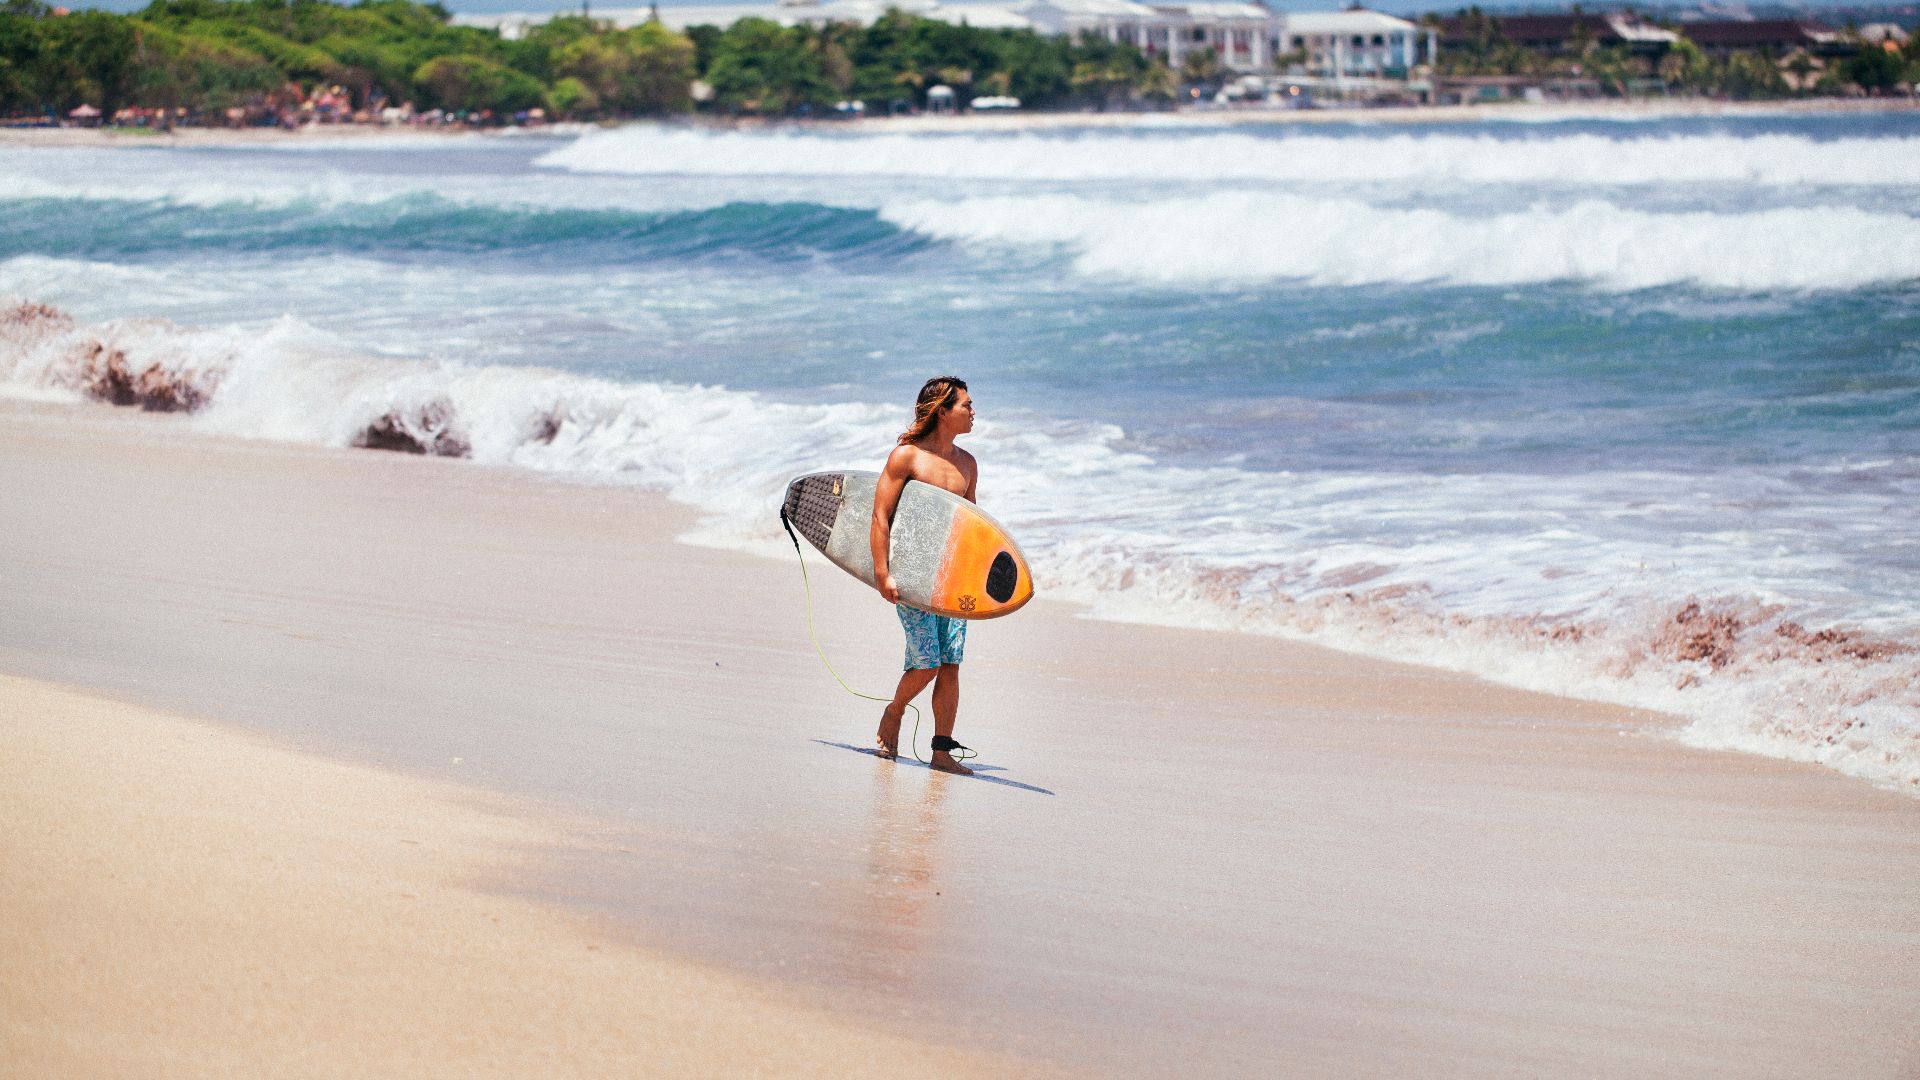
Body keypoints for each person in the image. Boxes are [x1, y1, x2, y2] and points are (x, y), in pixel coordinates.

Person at [871, 376, 978, 775]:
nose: (973, 411)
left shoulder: (967, 464)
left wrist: (973, 584)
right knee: (927, 663)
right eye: (966, 405)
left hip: (952, 580)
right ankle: (894, 712)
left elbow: (971, 530)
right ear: (942, 410)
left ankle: (941, 751)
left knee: (950, 663)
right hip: (913, 576)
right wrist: (883, 573)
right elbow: (880, 516)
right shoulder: (907, 457)